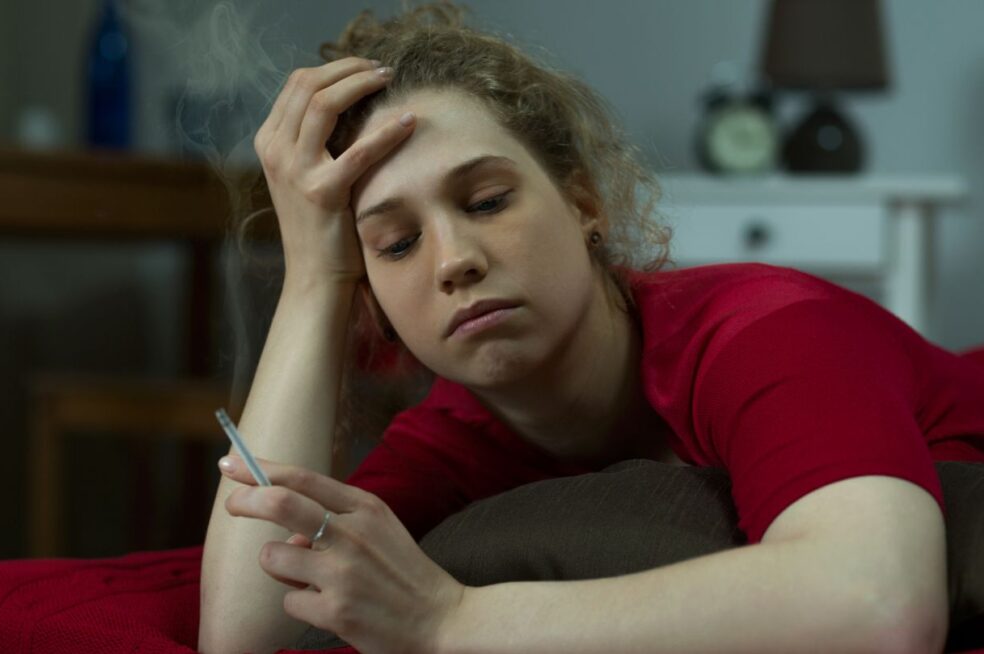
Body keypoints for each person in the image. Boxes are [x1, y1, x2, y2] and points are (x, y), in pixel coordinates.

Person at [199, 4, 984, 654]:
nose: (455, 261)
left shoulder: (769, 329)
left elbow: (882, 609)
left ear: (584, 205)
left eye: (486, 201)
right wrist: (315, 279)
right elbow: (243, 638)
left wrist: (451, 623)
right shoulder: (453, 441)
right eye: (396, 244)